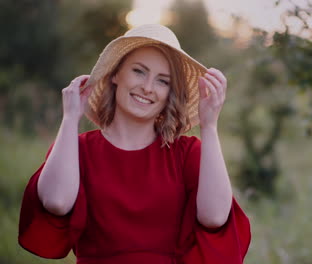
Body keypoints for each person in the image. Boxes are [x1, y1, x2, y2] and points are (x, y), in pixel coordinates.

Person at [18, 24, 251, 264]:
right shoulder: (77, 149)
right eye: (139, 71)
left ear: (170, 92)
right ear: (116, 73)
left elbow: (215, 218)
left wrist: (209, 126)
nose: (148, 88)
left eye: (163, 81)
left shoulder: (187, 153)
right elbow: (56, 202)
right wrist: (69, 119)